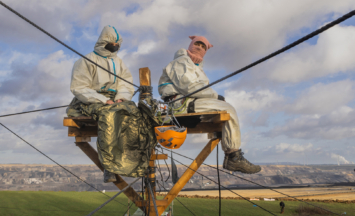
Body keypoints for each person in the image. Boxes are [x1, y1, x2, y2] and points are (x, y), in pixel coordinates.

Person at [158, 36, 261, 174]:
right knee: (228, 109)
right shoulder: (182, 61)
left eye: (203, 46)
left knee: (222, 109)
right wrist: (215, 96)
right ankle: (233, 157)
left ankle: (231, 152)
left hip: (186, 102)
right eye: (197, 44)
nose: (199, 47)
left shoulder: (196, 67)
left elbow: (198, 89)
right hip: (180, 103)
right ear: (190, 45)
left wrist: (215, 99)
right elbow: (190, 86)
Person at [67, 26, 155, 183]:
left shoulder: (119, 62)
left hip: (116, 100)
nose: (115, 45)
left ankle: (136, 164)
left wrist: (121, 98)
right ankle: (109, 166)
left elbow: (125, 83)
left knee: (136, 114)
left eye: (117, 42)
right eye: (112, 42)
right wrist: (103, 100)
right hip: (91, 100)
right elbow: (79, 87)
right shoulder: (85, 61)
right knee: (110, 115)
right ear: (104, 41)